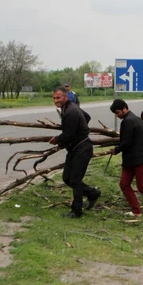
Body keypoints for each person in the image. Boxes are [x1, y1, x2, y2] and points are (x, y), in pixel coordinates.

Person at [49, 86, 99, 218]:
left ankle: (76, 211)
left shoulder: (71, 111)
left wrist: (58, 140)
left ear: (66, 97)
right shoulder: (70, 108)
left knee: (75, 180)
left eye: (58, 97)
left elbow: (68, 134)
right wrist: (79, 127)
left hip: (82, 149)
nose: (56, 100)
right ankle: (92, 193)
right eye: (54, 98)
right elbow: (86, 117)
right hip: (74, 148)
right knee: (67, 178)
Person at [109, 99, 143, 216]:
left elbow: (126, 142)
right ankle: (136, 211)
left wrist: (116, 149)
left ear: (124, 108)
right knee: (124, 184)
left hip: (140, 158)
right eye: (115, 113)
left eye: (118, 112)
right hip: (131, 159)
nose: (117, 115)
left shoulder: (128, 121)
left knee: (142, 186)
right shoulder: (135, 118)